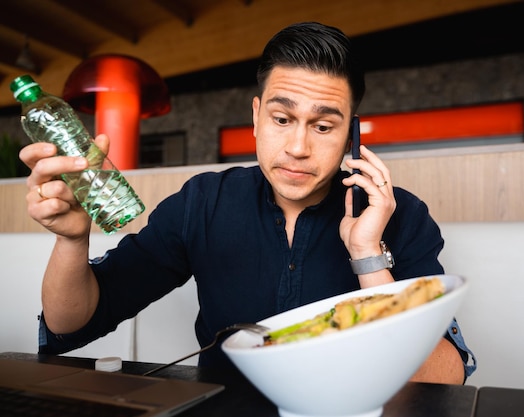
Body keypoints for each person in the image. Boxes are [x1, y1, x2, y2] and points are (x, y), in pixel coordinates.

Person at [19, 22, 475, 383]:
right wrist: (73, 240)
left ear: (351, 135)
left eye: (322, 126)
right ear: (256, 117)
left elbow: (446, 374)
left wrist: (367, 254)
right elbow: (71, 325)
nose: (297, 146)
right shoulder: (204, 201)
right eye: (282, 118)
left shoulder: (400, 214)